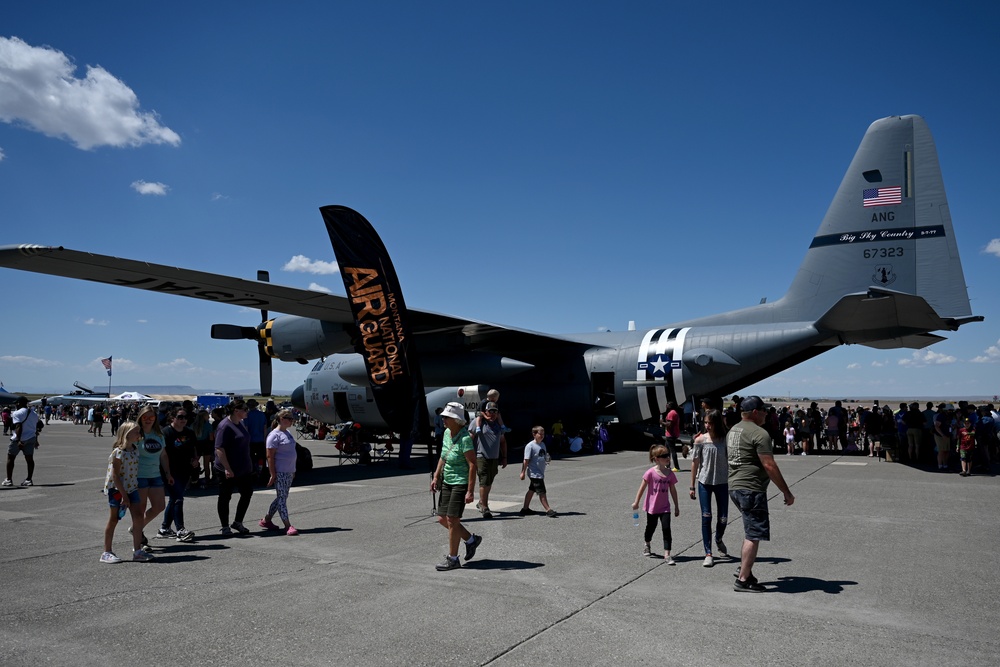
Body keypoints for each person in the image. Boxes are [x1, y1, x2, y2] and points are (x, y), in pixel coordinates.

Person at [727, 396, 794, 592]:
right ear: (755, 412)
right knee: (753, 533)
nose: (766, 413)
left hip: (735, 487)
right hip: (751, 489)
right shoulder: (759, 433)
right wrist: (786, 492)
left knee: (750, 529)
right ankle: (743, 579)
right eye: (764, 410)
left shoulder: (734, 430)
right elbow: (769, 465)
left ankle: (745, 568)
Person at [430, 402, 481, 571]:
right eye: (443, 416)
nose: (443, 419)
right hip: (447, 480)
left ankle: (453, 559)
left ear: (456, 420)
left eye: (446, 417)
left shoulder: (465, 439)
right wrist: (436, 476)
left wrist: (470, 491)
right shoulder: (446, 433)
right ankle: (471, 540)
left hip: (460, 482)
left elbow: (473, 464)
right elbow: (443, 456)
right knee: (442, 518)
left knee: (452, 520)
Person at [101, 421, 151, 562]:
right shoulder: (118, 453)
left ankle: (138, 550)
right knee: (114, 519)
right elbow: (115, 476)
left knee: (138, 517)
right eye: (136, 432)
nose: (138, 434)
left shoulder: (135, 449)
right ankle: (107, 552)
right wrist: (124, 496)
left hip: (132, 488)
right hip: (118, 490)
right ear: (126, 434)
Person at [689, 409, 729, 567]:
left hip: (722, 482)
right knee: (706, 517)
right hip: (704, 482)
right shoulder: (700, 440)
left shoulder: (724, 440)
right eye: (705, 423)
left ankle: (718, 538)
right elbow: (695, 462)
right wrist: (692, 485)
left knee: (723, 518)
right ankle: (708, 553)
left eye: (710, 423)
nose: (707, 426)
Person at [132, 405, 172, 550]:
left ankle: (136, 528)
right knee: (140, 510)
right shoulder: (136, 433)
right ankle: (139, 540)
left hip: (155, 475)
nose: (148, 420)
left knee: (159, 506)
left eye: (151, 417)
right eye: (145, 417)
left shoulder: (159, 434)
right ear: (140, 418)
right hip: (139, 476)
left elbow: (163, 455)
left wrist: (168, 473)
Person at [632, 444, 680, 564]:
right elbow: (642, 488)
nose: (668, 458)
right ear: (656, 459)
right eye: (664, 456)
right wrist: (636, 502)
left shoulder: (670, 474)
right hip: (652, 507)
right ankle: (647, 543)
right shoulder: (650, 473)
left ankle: (667, 554)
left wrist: (676, 506)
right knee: (651, 527)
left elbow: (673, 490)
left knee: (666, 528)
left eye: (668, 455)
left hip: (665, 507)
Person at [215, 399, 254, 535]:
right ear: (236, 411)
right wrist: (227, 468)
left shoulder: (241, 423)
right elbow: (219, 448)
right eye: (244, 409)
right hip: (228, 469)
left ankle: (238, 522)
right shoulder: (224, 426)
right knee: (225, 497)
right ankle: (225, 526)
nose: (246, 411)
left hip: (243, 468)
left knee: (247, 493)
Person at [158, 408, 197, 542]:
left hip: (184, 470)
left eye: (185, 417)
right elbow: (162, 454)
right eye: (180, 417)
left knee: (174, 499)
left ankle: (164, 529)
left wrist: (195, 460)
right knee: (178, 498)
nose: (183, 420)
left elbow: (193, 449)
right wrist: (168, 474)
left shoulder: (189, 432)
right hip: (169, 471)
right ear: (172, 418)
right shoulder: (166, 433)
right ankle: (180, 529)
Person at [260, 410, 299, 535]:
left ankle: (266, 520)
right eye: (289, 418)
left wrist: (293, 470)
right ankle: (287, 525)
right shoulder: (274, 435)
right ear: (281, 419)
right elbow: (270, 456)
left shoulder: (287, 433)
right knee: (282, 498)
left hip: (289, 470)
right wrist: (272, 473)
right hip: (280, 470)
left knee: (282, 497)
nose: (292, 420)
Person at [472, 401, 506, 519]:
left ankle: (481, 501)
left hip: (494, 458)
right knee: (484, 481)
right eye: (490, 411)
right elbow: (470, 438)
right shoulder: (479, 423)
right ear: (485, 412)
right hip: (482, 457)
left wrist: (505, 457)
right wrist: (470, 456)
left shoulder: (498, 425)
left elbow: (502, 441)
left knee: (489, 481)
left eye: (495, 412)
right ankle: (485, 507)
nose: (492, 414)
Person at [519, 426, 556, 517]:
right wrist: (523, 472)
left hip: (540, 472)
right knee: (542, 491)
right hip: (534, 473)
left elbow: (543, 455)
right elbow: (526, 460)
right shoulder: (530, 446)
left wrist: (547, 459)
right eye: (540, 434)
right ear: (534, 434)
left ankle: (525, 509)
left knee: (532, 490)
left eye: (543, 434)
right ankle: (548, 509)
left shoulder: (542, 444)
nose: (542, 436)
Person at [4, 396, 39, 487]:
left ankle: (9, 479)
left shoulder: (17, 413)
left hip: (19, 439)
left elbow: (18, 426)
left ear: (19, 403)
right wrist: (36, 440)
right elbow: (35, 428)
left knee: (11, 457)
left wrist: (18, 440)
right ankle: (29, 479)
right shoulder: (34, 414)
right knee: (29, 459)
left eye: (16, 403)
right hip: (31, 438)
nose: (15, 404)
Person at [244, 399, 268, 480]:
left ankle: (252, 472)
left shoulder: (247, 415)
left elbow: (246, 428)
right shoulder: (262, 415)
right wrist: (265, 439)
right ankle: (262, 472)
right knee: (261, 457)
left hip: (251, 440)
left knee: (250, 457)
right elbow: (265, 428)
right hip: (260, 440)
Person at [192, 409, 214, 488]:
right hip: (206, 444)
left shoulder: (193, 425)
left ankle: (193, 479)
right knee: (206, 464)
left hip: (196, 445)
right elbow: (211, 438)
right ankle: (207, 480)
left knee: (195, 462)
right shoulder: (208, 425)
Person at [661, 401, 682, 471]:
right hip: (670, 434)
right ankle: (667, 465)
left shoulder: (671, 413)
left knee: (672, 451)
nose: (666, 405)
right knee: (667, 451)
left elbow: (669, 424)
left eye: (668, 404)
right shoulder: (674, 412)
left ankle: (677, 467)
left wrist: (662, 422)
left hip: (671, 435)